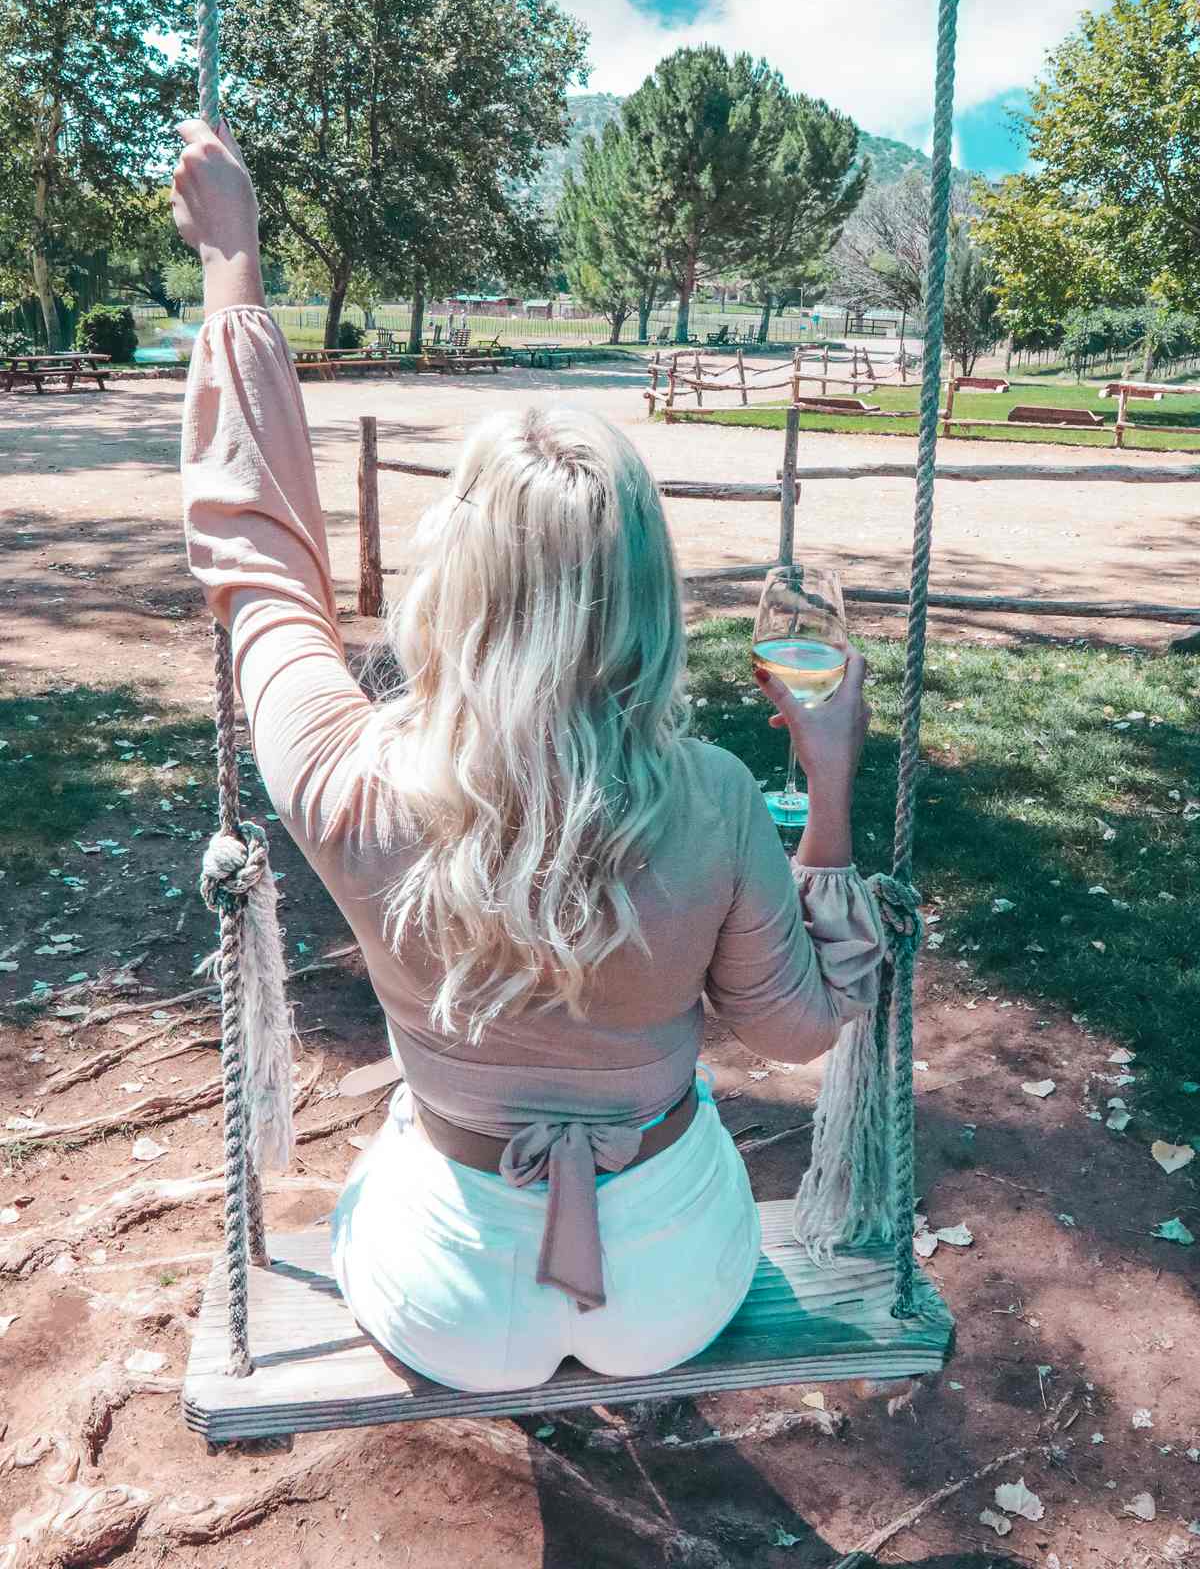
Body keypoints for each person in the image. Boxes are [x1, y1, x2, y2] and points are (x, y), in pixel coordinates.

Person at [170, 117, 885, 1395]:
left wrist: (235, 266)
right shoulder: (716, 802)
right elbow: (794, 1036)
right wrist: (829, 779)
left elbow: (262, 572)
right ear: (646, 598)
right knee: (691, 1130)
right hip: (673, 1286)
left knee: (392, 1159)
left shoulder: (347, 775)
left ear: (453, 578)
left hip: (446, 1293)